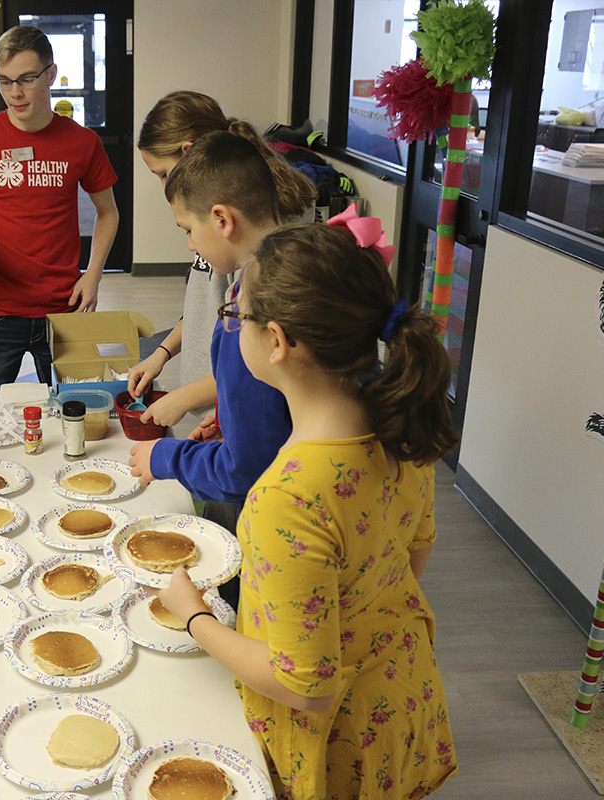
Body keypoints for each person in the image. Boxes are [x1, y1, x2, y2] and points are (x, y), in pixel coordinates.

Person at [150, 209, 459, 799]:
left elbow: (305, 685)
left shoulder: (286, 498)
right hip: (400, 690)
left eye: (236, 315)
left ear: (277, 342)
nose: (231, 327)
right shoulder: (402, 428)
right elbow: (411, 559)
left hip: (335, 735)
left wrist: (196, 616)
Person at [127, 132, 295, 594]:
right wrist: (227, 418)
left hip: (279, 527)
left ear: (221, 219)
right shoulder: (294, 269)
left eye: (186, 229)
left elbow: (243, 469)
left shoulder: (250, 317)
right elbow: (276, 406)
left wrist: (165, 455)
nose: (188, 246)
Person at [0, 24, 120, 390]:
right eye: (4, 81)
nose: (15, 93)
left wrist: (93, 275)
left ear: (51, 74)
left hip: (65, 307)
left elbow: (108, 213)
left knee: (79, 411)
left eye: (25, 79)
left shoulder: (83, 142)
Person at [129, 91, 315, 434]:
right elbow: (206, 309)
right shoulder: (215, 226)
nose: (163, 186)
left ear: (188, 155)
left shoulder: (257, 247)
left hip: (246, 412)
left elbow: (258, 362)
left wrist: (183, 398)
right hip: (220, 410)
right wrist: (162, 353)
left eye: (162, 174)